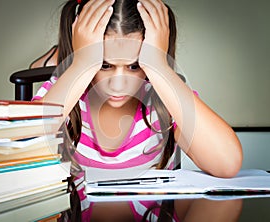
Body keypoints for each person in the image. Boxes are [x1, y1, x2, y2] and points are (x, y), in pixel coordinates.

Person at [32, 0, 243, 221]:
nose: (118, 85)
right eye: (104, 65)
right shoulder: (67, 92)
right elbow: (25, 145)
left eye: (134, 66)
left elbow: (226, 165)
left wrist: (159, 66)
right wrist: (81, 64)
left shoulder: (163, 95)